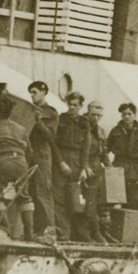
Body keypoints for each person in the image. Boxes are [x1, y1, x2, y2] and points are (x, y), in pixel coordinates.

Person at [0, 95, 31, 240]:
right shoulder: (21, 129)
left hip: (3, 161)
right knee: (24, 197)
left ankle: (6, 230)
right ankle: (29, 233)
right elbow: (30, 152)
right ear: (10, 112)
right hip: (21, 162)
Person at [27, 80, 66, 239]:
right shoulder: (29, 110)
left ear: (44, 92)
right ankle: (36, 230)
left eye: (35, 92)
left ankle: (49, 230)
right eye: (31, 92)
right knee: (31, 192)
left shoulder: (51, 112)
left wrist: (38, 121)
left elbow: (50, 136)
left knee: (43, 191)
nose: (32, 95)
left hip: (42, 153)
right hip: (29, 152)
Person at [55, 90, 92, 241]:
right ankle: (64, 235)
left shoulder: (84, 122)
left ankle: (79, 236)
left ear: (81, 106)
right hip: (61, 160)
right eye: (70, 104)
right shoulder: (60, 119)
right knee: (58, 199)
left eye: (75, 105)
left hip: (76, 161)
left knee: (75, 201)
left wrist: (83, 168)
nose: (72, 107)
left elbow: (86, 147)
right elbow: (54, 143)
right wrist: (60, 163)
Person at [107, 102, 138, 209]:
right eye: (124, 114)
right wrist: (109, 166)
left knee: (136, 203)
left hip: (134, 170)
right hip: (118, 167)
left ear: (134, 115)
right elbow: (105, 149)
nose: (126, 117)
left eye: (129, 114)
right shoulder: (115, 131)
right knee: (115, 203)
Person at [81, 100, 112, 243]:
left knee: (93, 204)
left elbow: (104, 153)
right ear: (88, 112)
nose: (96, 118)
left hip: (95, 168)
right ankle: (84, 233)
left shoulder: (101, 131)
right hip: (81, 166)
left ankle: (96, 232)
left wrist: (110, 167)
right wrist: (84, 166)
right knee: (80, 203)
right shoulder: (81, 125)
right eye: (93, 114)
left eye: (99, 115)